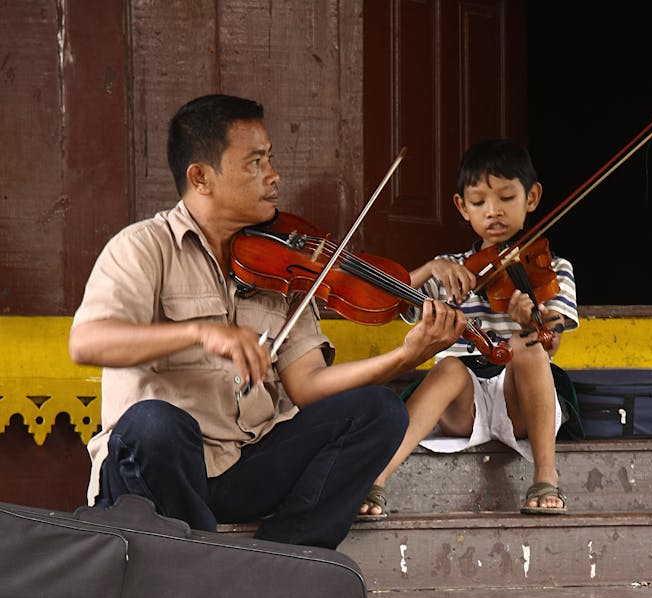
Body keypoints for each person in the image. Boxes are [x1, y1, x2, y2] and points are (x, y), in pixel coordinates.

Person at [69, 93, 465, 549]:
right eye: (255, 163)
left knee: (379, 411)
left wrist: (406, 355)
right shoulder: (141, 248)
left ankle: (286, 559)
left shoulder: (281, 261)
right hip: (160, 473)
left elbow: (309, 384)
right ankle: (205, 566)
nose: (273, 176)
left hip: (242, 467)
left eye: (270, 159)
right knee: (155, 423)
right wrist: (200, 332)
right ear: (201, 177)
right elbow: (87, 343)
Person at [358, 137, 578, 519]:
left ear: (532, 197)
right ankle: (376, 479)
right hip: (464, 406)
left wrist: (533, 322)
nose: (493, 212)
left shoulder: (553, 269)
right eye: (479, 202)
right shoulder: (451, 269)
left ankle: (545, 475)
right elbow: (387, 301)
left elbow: (552, 343)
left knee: (526, 346)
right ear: (462, 207)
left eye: (506, 198)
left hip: (519, 401)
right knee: (448, 366)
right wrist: (429, 269)